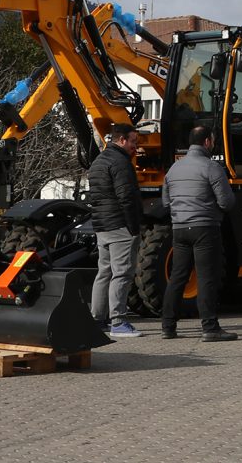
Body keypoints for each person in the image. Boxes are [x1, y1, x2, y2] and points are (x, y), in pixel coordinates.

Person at [160, 126, 238, 342]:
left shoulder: (174, 169)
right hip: (205, 227)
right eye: (212, 140)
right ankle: (210, 328)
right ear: (207, 142)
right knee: (207, 278)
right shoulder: (211, 167)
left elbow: (166, 201)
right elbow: (226, 201)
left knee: (178, 277)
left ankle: (168, 327)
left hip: (180, 228)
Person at [86, 125, 144, 338]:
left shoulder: (98, 162)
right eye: (133, 142)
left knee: (104, 272)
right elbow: (126, 196)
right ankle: (118, 321)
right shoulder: (121, 163)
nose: (134, 147)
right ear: (121, 140)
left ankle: (97, 319)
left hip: (102, 225)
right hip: (120, 225)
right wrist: (133, 226)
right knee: (122, 273)